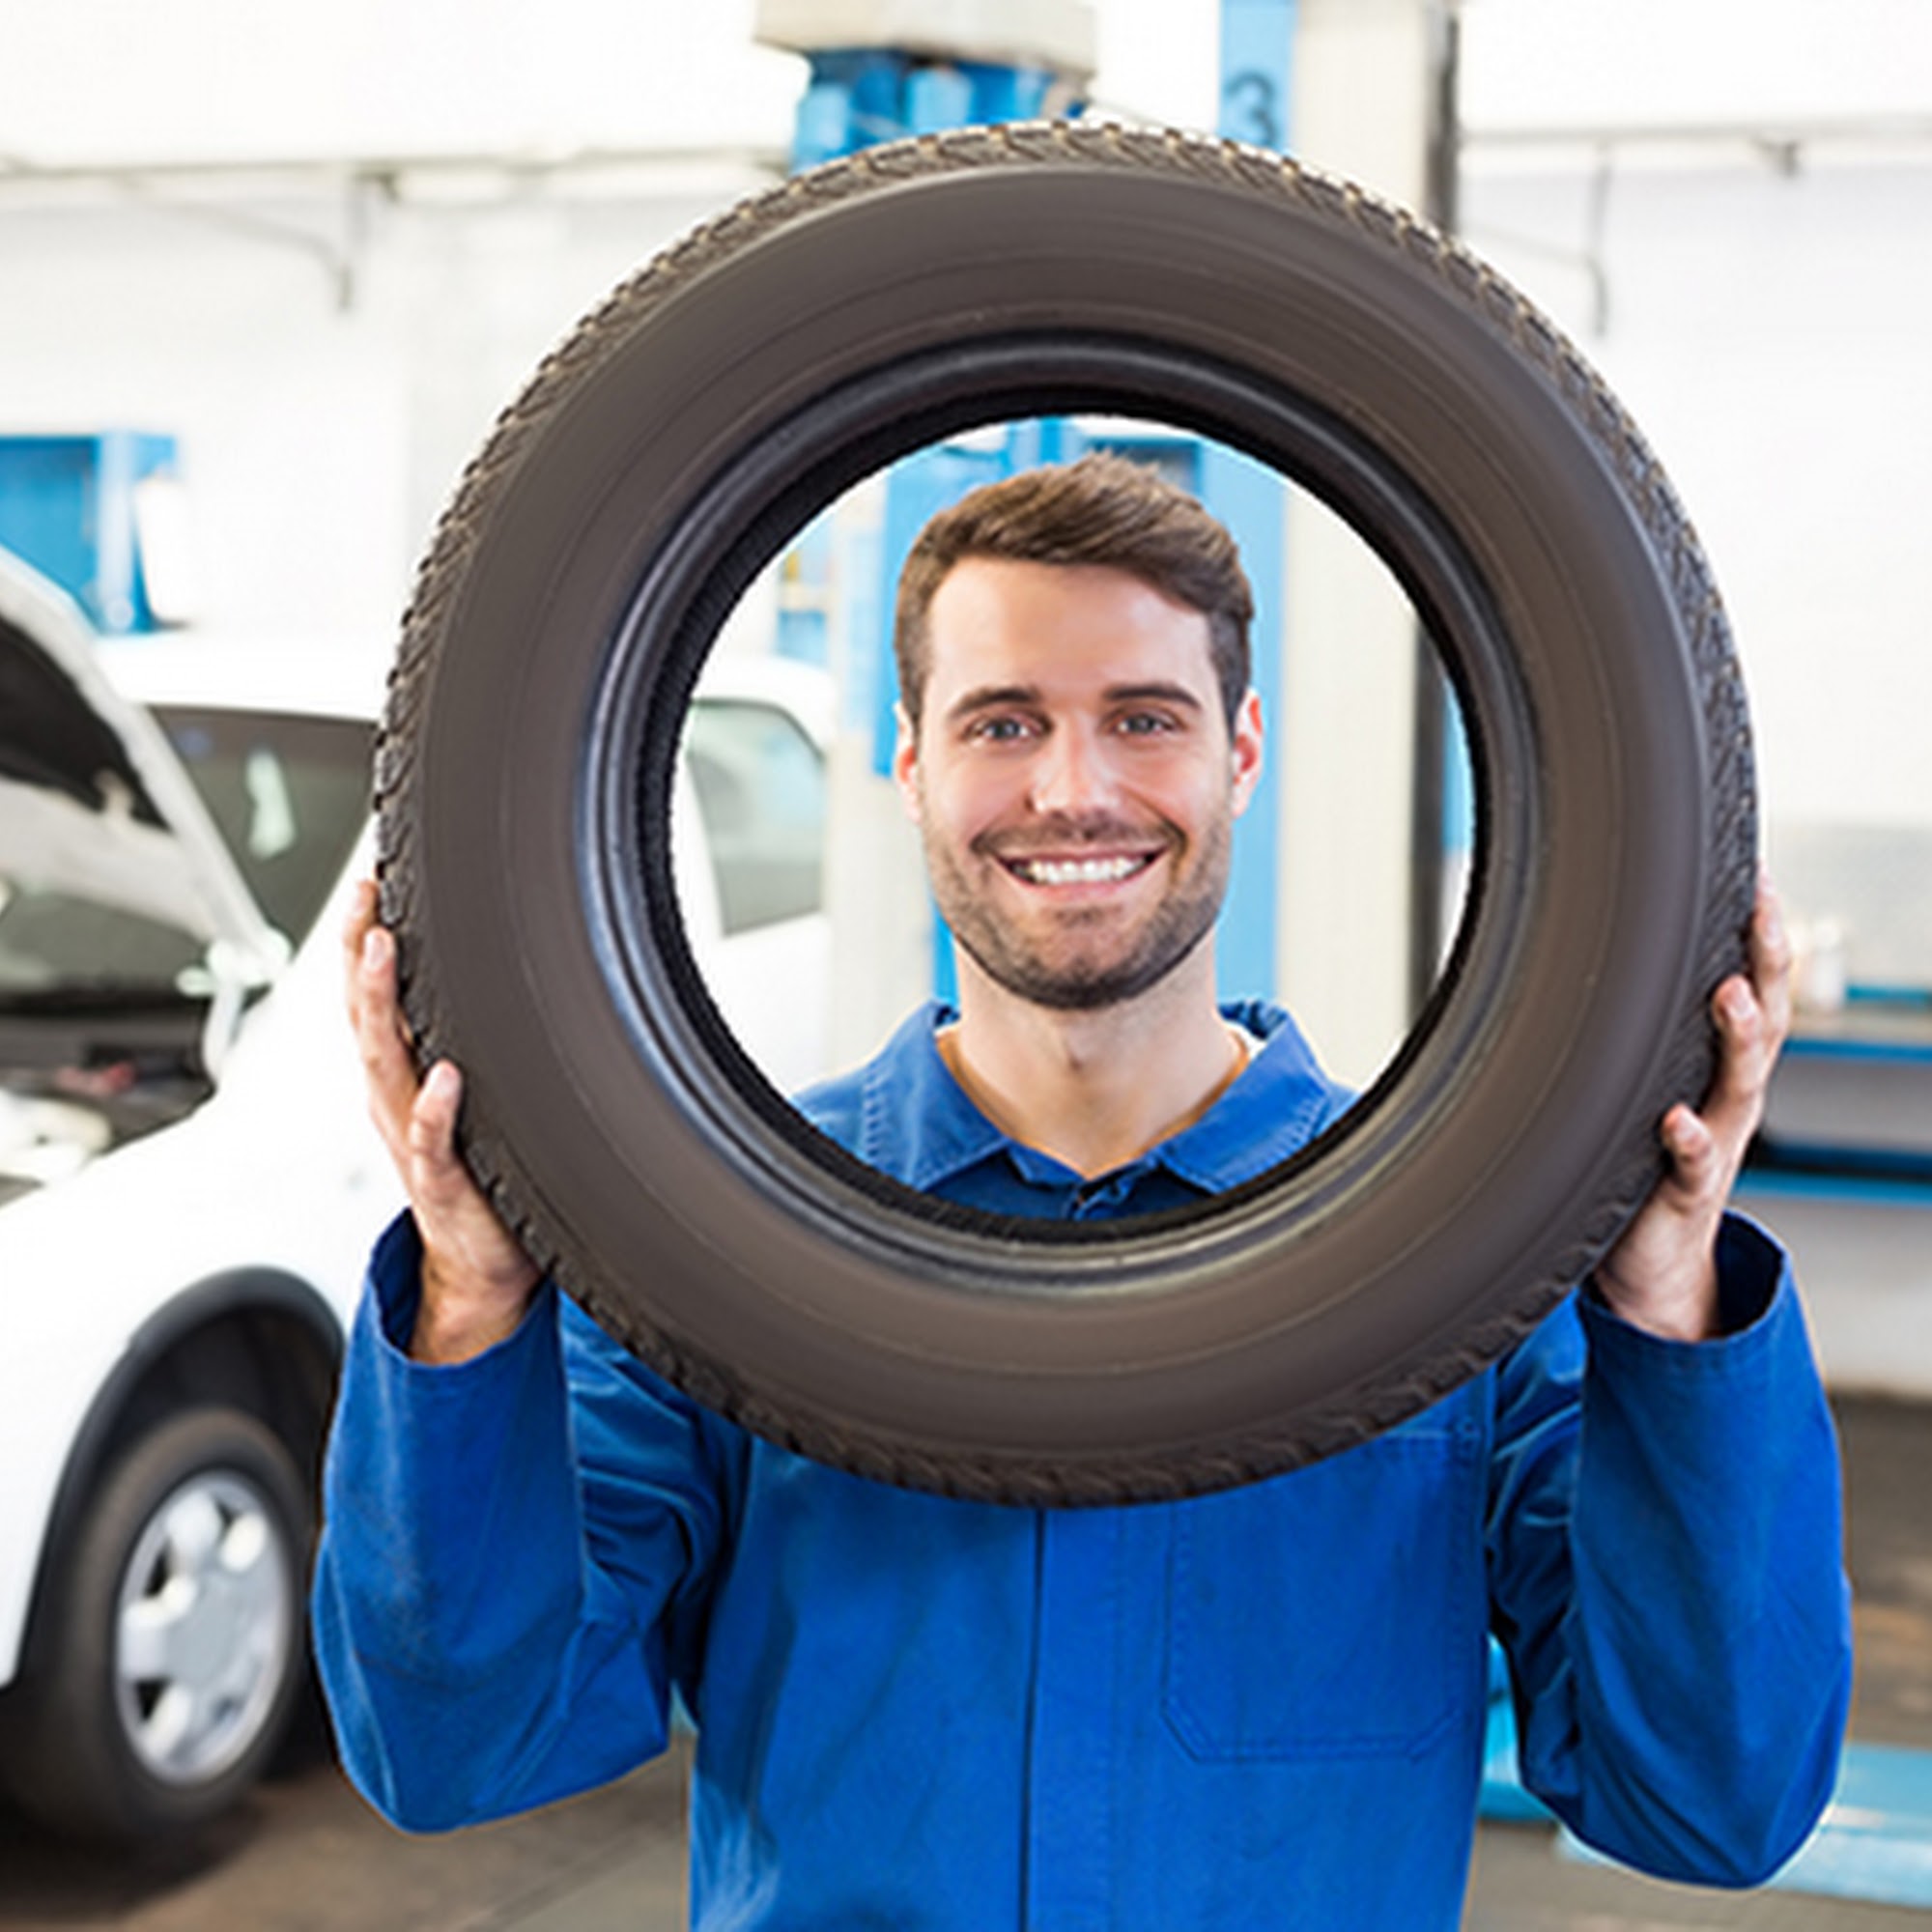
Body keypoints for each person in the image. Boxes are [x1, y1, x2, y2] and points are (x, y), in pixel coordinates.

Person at [315, 454, 1851, 1929]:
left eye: (1142, 716)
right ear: (910, 761)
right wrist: (471, 1303)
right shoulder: (725, 1241)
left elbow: (1711, 1800)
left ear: (1240, 747)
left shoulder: (1461, 1259)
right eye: (1000, 723)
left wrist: (1663, 1302)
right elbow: (464, 1750)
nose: (1073, 789)